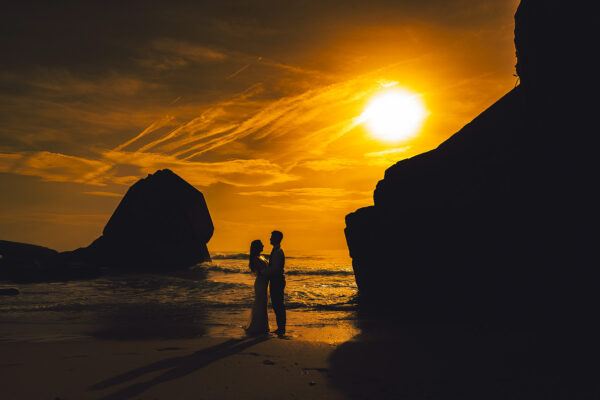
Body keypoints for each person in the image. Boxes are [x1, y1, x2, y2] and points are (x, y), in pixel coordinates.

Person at [245, 239, 270, 336]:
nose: (263, 246)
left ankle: (261, 326)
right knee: (260, 304)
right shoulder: (255, 258)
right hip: (261, 283)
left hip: (264, 283)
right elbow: (262, 271)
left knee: (263, 304)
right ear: (257, 247)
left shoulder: (260, 257)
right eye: (261, 245)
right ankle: (258, 327)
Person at [268, 230, 286, 337]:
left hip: (277, 280)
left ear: (276, 238)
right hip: (276, 280)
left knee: (278, 304)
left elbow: (275, 269)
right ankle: (280, 327)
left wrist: (264, 273)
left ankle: (281, 328)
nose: (270, 239)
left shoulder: (278, 252)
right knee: (277, 304)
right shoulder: (276, 250)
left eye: (271, 237)